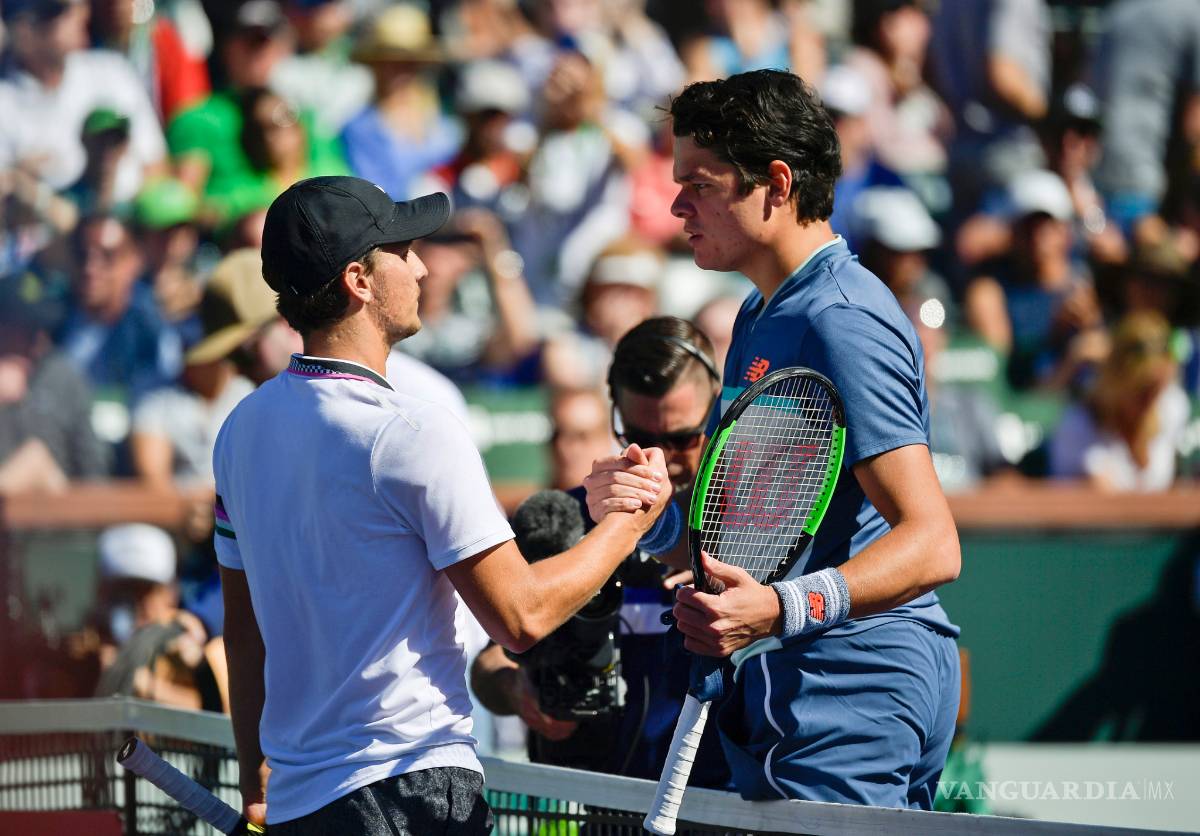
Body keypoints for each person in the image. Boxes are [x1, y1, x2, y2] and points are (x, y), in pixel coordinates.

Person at [214, 175, 671, 832]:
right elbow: (520, 616)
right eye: (402, 250)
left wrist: (255, 768)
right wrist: (632, 521)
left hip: (300, 803)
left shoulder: (241, 429)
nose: (423, 265)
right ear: (358, 281)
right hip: (410, 795)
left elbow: (243, 627)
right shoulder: (412, 431)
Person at [586, 69, 961, 808]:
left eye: (700, 182)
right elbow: (754, 540)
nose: (676, 203)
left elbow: (933, 543)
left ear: (776, 183)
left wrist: (781, 610)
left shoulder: (841, 319)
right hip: (809, 680)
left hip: (854, 682)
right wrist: (652, 514)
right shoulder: (765, 314)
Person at [472, 316, 729, 786]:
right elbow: (489, 662)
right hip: (593, 804)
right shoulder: (561, 518)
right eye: (642, 438)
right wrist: (518, 689)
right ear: (615, 415)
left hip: (717, 802)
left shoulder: (751, 529)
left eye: (682, 439)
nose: (662, 459)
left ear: (716, 410)